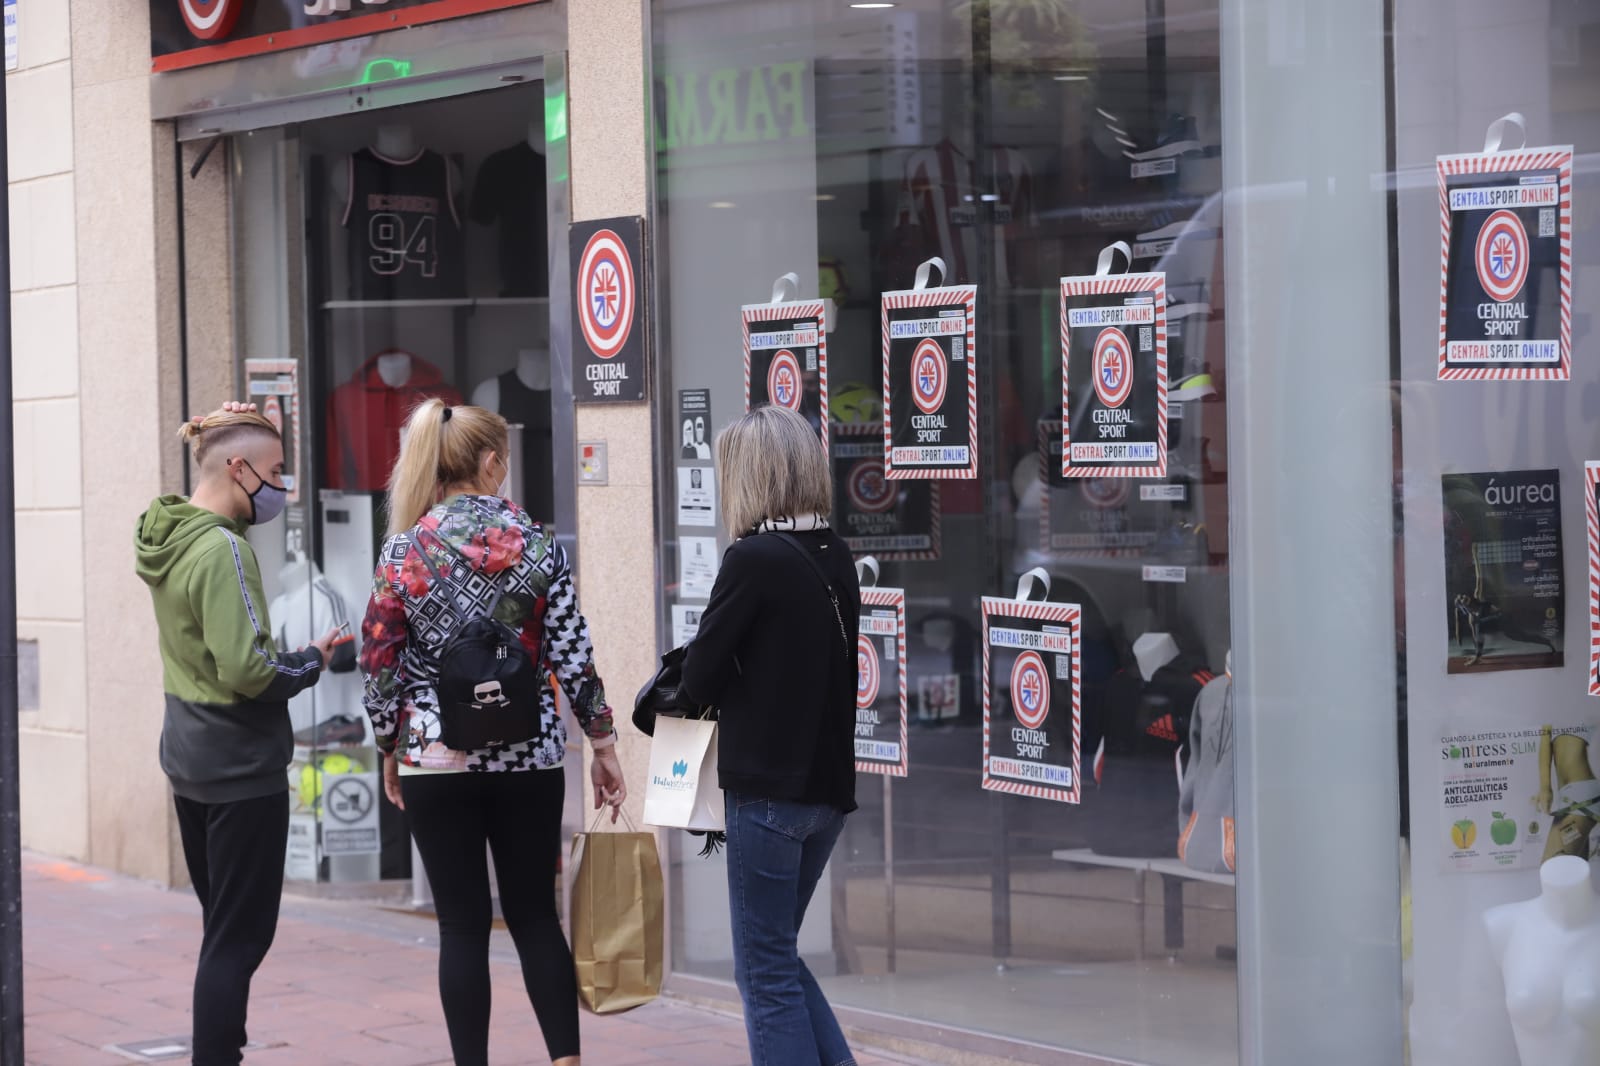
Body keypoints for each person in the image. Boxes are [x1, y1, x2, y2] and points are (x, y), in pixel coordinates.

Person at [360, 400, 625, 1066]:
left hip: (434, 756)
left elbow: (379, 659)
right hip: (529, 755)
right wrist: (601, 741)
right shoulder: (537, 543)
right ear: (488, 462)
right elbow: (572, 649)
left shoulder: (404, 548)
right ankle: (566, 1061)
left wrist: (390, 745)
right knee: (536, 915)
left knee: (461, 925)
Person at [135, 405, 339, 1066]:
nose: (281, 486)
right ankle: (217, 1054)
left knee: (221, 928)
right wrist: (311, 658)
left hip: (191, 760)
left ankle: (222, 1045)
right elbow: (249, 668)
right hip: (238, 767)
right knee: (238, 938)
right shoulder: (223, 547)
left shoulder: (168, 536)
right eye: (276, 471)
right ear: (238, 466)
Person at [681, 405, 861, 1066]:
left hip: (767, 793)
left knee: (763, 973)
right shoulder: (834, 553)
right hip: (826, 794)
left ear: (749, 478)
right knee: (776, 958)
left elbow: (699, 677)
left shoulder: (751, 559)